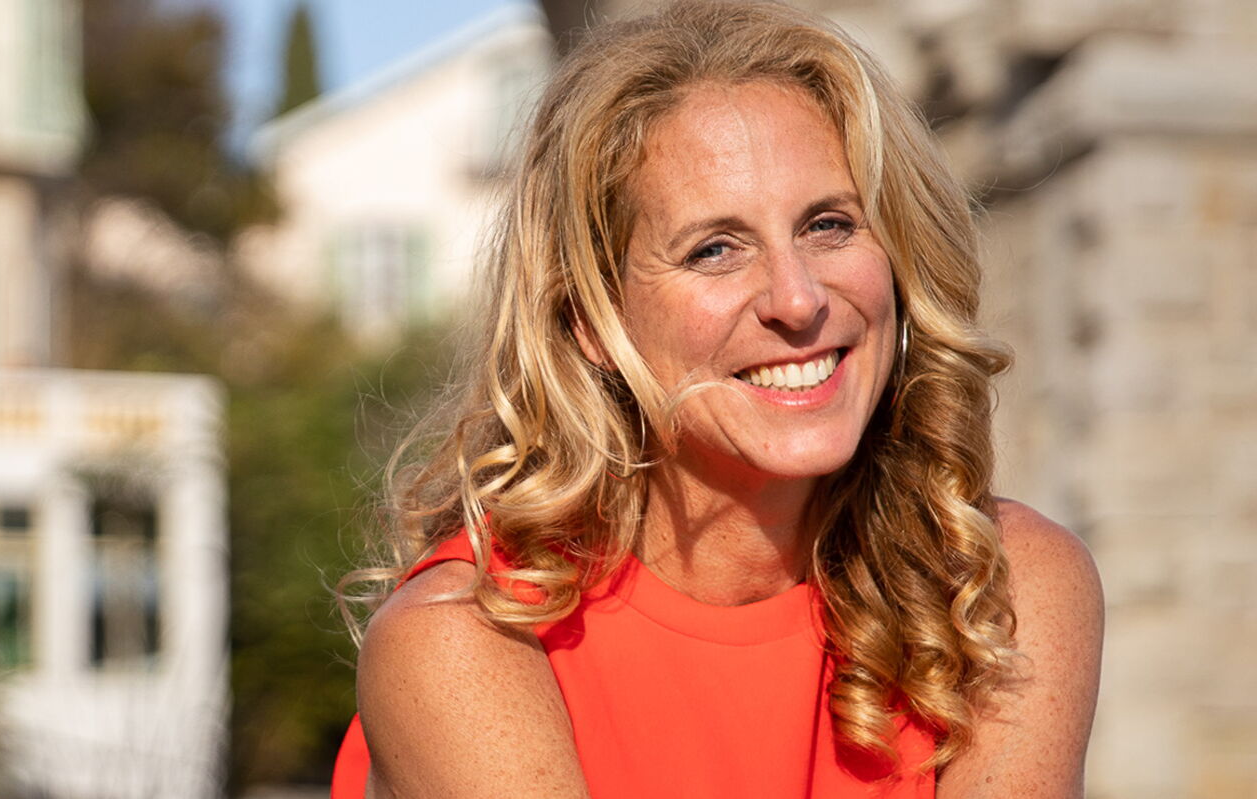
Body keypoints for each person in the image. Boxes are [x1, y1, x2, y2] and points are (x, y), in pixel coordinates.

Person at [332, 2, 1103, 797]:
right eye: (715, 249)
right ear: (590, 319)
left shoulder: (1003, 587)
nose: (798, 300)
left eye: (828, 225)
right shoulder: (466, 636)